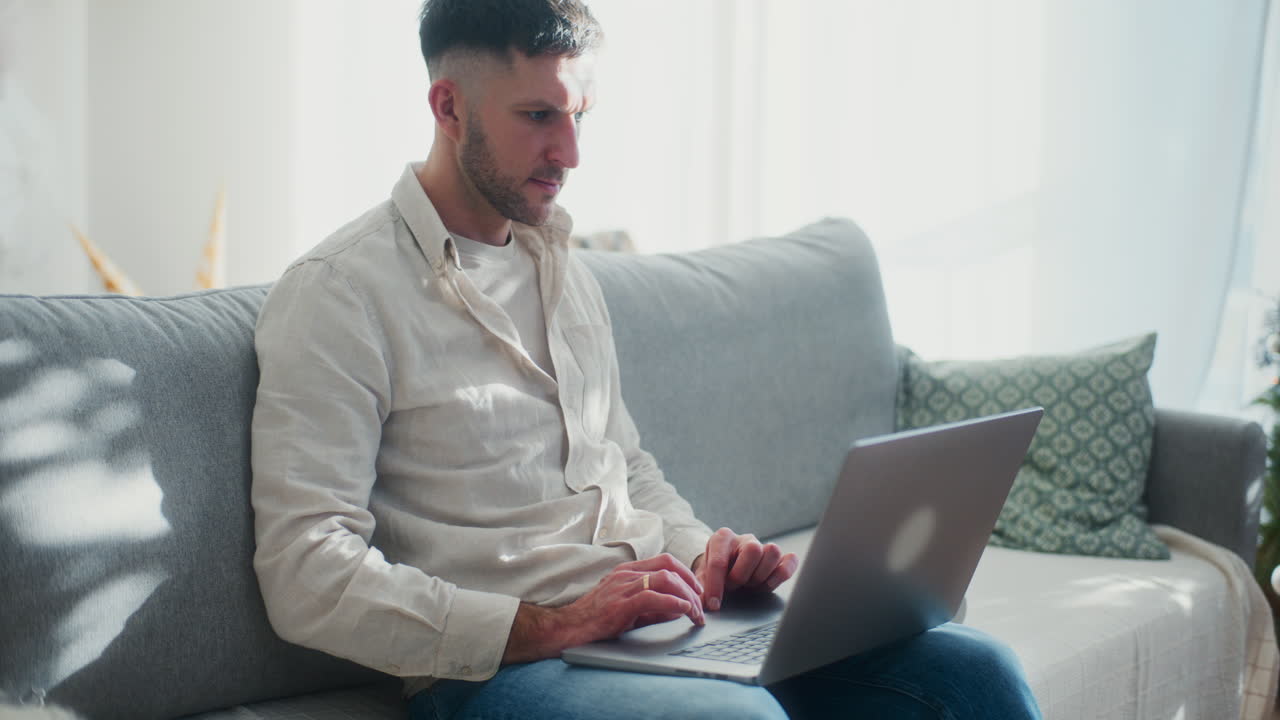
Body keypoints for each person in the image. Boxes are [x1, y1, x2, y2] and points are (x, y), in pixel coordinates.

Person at [249, 1, 1044, 718]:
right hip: (502, 670)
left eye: (580, 117)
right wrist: (556, 623)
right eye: (538, 116)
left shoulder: (561, 266)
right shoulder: (340, 294)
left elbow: (625, 467)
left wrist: (705, 556)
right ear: (448, 107)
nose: (569, 152)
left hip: (654, 630)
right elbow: (304, 572)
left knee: (976, 674)